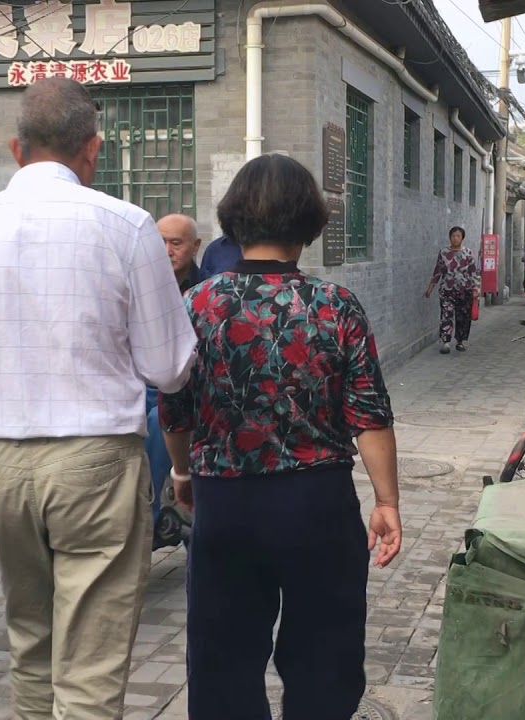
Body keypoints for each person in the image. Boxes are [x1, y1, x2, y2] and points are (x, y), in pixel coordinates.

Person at [0, 78, 196, 720]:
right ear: (92, 149)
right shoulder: (128, 229)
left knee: (31, 644)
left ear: (17, 149)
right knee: (89, 668)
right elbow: (169, 367)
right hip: (96, 464)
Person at [160, 154, 403, 720]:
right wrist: (387, 500)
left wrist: (182, 472)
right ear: (310, 223)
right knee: (325, 653)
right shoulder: (335, 306)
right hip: (318, 503)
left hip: (226, 502)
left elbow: (175, 410)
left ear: (233, 221)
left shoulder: (198, 305)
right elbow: (369, 413)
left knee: (223, 657)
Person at [146, 213, 210, 549]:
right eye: (160, 242)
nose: (167, 250)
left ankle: (151, 521)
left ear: (195, 247)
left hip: (187, 384)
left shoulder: (208, 291)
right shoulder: (142, 285)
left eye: (176, 243)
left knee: (160, 419)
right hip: (143, 380)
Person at [424, 226, 480, 354]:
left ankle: (460, 341)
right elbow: (438, 271)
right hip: (447, 290)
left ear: (462, 238)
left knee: (463, 317)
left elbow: (473, 273)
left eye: (458, 236)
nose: (455, 238)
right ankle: (446, 343)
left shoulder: (468, 253)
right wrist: (430, 287)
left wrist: (476, 289)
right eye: (453, 236)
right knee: (446, 315)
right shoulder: (444, 253)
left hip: (464, 290)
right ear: (450, 237)